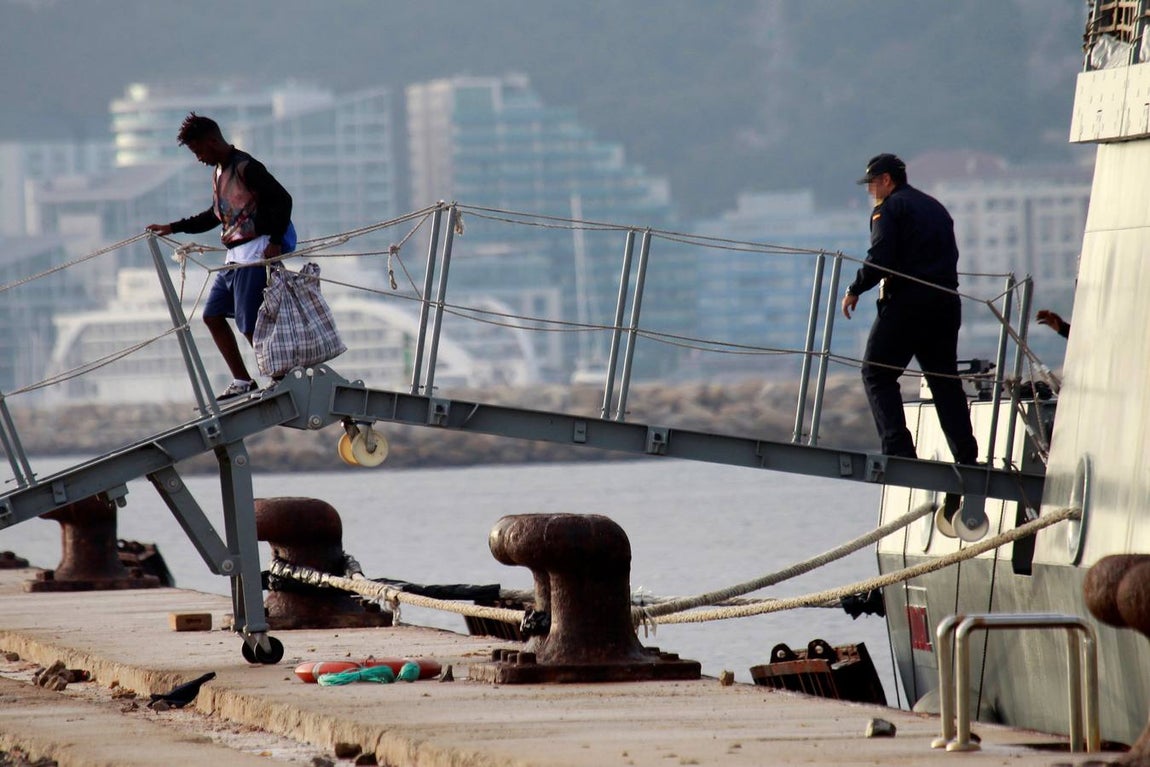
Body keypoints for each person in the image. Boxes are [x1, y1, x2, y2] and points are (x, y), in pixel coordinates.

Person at [841, 153, 979, 466]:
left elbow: (881, 257)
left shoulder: (889, 208)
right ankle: (967, 456)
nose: (870, 191)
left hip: (908, 303)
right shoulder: (935, 207)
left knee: (876, 373)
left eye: (872, 183)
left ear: (886, 179)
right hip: (946, 302)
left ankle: (899, 452)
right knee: (944, 380)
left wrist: (855, 289)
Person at [146, 113, 293, 401]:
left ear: (212, 141)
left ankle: (280, 377)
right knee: (212, 316)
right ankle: (243, 380)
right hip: (233, 257)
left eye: (198, 150)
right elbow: (214, 216)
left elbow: (283, 199)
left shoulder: (246, 167)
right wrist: (172, 227)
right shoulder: (218, 173)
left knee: (249, 323)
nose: (198, 158)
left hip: (254, 253)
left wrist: (275, 241)